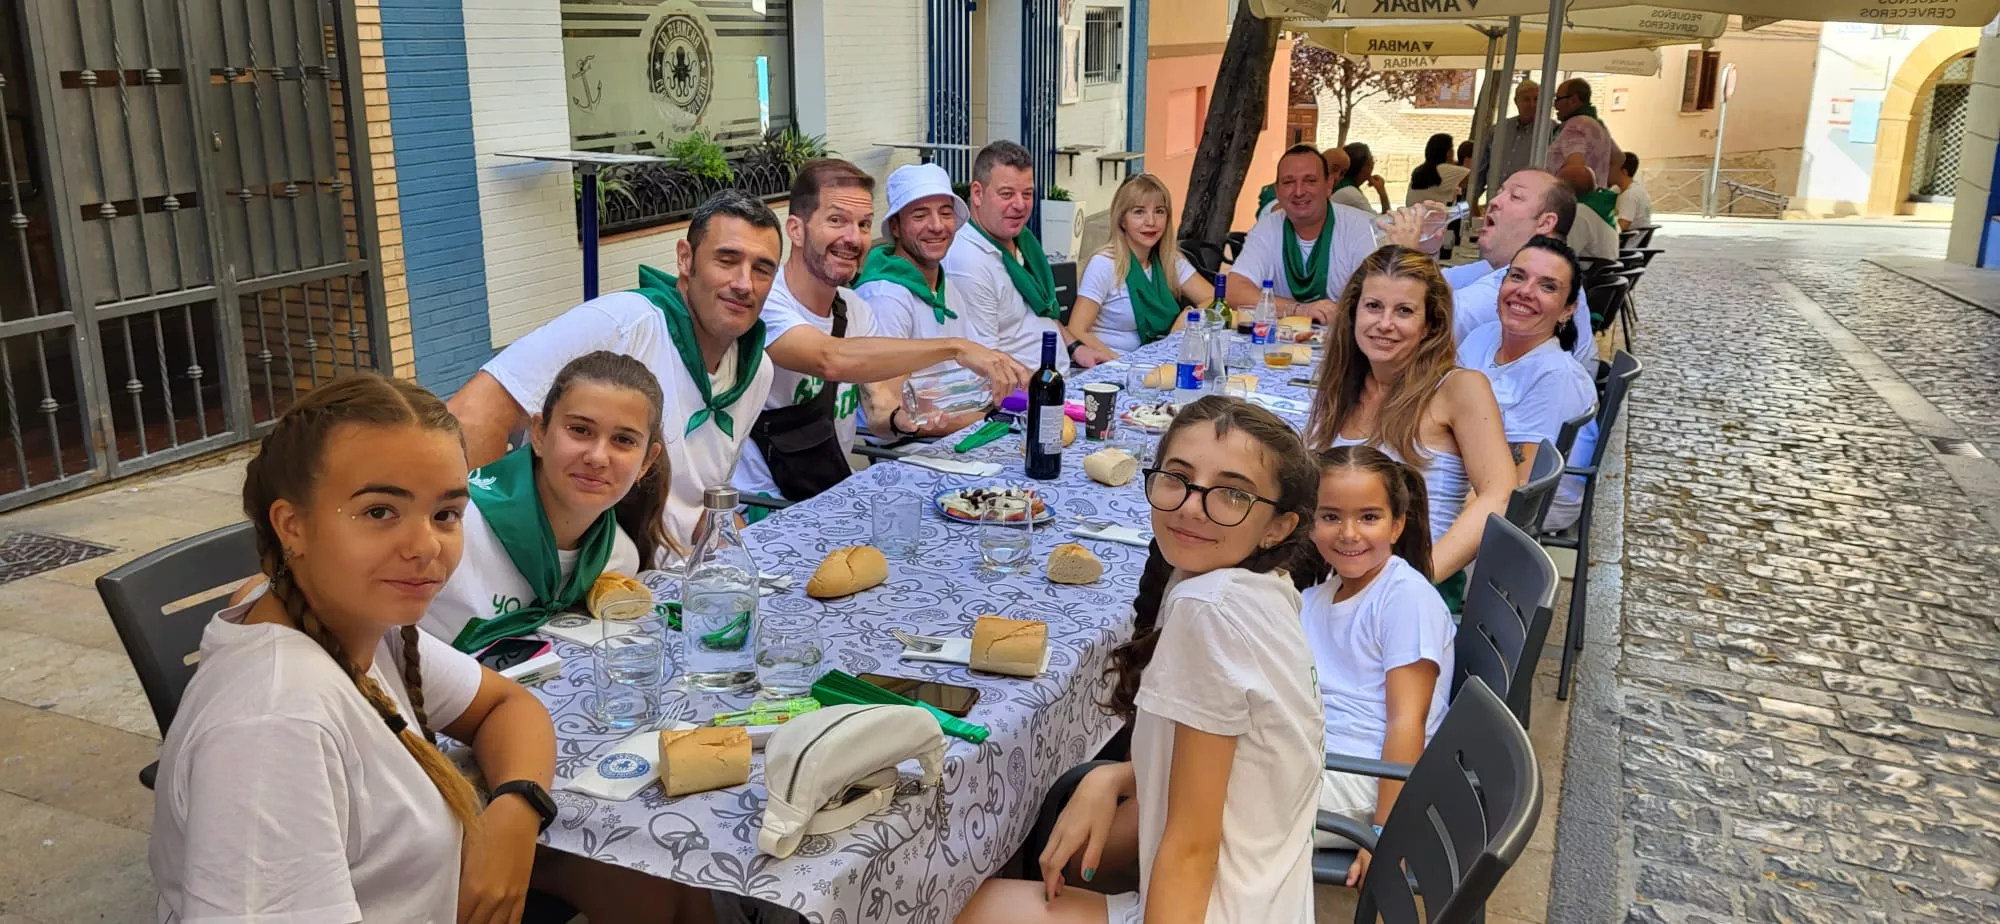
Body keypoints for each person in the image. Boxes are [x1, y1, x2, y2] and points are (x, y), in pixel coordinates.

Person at [151, 374, 710, 924]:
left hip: (440, 883)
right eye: (378, 512)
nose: (424, 547)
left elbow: (506, 706)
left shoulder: (370, 629)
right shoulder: (275, 728)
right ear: (291, 525)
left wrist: (515, 814)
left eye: (445, 514)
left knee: (668, 890)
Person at [957, 397, 1323, 924]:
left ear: (1278, 526)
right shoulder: (1265, 584)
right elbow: (1242, 754)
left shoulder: (1208, 610)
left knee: (944, 906)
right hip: (1266, 902)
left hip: (1215, 907)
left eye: (1233, 494)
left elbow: (1191, 851)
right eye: (1178, 478)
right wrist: (1119, 776)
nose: (1193, 506)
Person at [446, 189, 783, 552]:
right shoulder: (622, 323)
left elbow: (702, 502)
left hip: (670, 582)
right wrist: (498, 551)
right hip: (577, 577)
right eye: (727, 260)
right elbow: (471, 415)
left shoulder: (757, 369)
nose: (744, 284)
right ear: (686, 259)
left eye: (762, 269)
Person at [737, 159, 1027, 505]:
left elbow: (878, 409)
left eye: (862, 224)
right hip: (763, 507)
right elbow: (830, 359)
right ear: (796, 230)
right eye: (836, 221)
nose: (852, 238)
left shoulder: (854, 308)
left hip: (831, 496)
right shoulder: (765, 301)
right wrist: (956, 348)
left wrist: (905, 419)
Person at [1304, 245, 1514, 609]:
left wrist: (1418, 576)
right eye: (1373, 307)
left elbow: (1500, 495)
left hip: (1412, 592)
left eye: (1404, 311)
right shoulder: (1342, 388)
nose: (1385, 324)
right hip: (1335, 581)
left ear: (1429, 325)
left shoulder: (1459, 388)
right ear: (1353, 313)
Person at [424, 352, 661, 652]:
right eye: (580, 430)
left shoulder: (617, 557)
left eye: (624, 440)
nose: (598, 457)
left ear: (646, 462)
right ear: (539, 433)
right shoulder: (452, 527)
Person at [1301, 446, 1453, 881]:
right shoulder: (1321, 595)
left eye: (1368, 517)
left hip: (1363, 777)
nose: (1349, 533)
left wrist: (1388, 831)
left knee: (1201, 806)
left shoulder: (1405, 598)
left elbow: (1408, 720)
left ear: (1397, 523)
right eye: (1330, 516)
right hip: (1316, 754)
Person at [855, 163, 1010, 438]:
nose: (937, 226)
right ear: (896, 226)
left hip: (964, 433)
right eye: (920, 215)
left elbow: (978, 377)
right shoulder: (884, 296)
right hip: (910, 452)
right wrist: (999, 421)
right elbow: (896, 409)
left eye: (945, 213)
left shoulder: (943, 283)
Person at [1459, 237, 1599, 530]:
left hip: (1527, 506)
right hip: (1473, 474)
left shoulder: (1556, 377)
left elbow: (1517, 491)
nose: (1525, 291)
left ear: (1567, 310)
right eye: (1517, 276)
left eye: (1547, 286)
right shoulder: (1483, 336)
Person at [946, 141, 1116, 373]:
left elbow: (1041, 312)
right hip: (1023, 398)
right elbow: (986, 362)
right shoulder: (968, 260)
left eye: (1027, 194)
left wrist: (1075, 347)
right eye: (1006, 194)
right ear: (977, 194)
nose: (1020, 205)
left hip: (1062, 375)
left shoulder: (1023, 241)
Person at [1435, 169, 1600, 371]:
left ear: (1546, 223)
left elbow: (1420, 327)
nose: (1494, 201)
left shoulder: (1516, 288)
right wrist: (1427, 250)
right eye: (1499, 192)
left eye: (1515, 196)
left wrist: (1405, 249)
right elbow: (1432, 285)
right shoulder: (1496, 270)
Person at [1227, 144, 1378, 326]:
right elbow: (1234, 291)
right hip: (1283, 348)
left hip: (1346, 342)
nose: (1299, 192)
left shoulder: (1361, 227)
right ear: (1277, 190)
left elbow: (1378, 299)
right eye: (1289, 182)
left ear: (1329, 185)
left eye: (1310, 181)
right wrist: (1299, 310)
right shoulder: (1267, 227)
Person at [1066, 173, 1211, 358]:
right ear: (1121, 220)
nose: (1151, 222)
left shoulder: (1170, 260)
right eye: (1139, 212)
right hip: (1112, 363)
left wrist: (1191, 316)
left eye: (1159, 211)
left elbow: (1214, 299)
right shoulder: (1104, 264)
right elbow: (1077, 329)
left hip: (1158, 361)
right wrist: (1120, 363)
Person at [1548, 78, 1620, 195]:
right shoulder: (1598, 125)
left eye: (1558, 99)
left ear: (1573, 100)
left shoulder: (1576, 125)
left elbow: (1575, 169)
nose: (1555, 105)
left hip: (1573, 202)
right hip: (1594, 199)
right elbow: (1619, 158)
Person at [1476, 80, 1543, 202]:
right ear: (1516, 102)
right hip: (1496, 200)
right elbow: (1481, 169)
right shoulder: (1498, 130)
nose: (1532, 104)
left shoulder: (1549, 132)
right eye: (1527, 99)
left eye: (1536, 99)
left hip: (1529, 203)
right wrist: (1472, 200)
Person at [1559, 162, 1621, 262]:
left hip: (1588, 274)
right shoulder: (1600, 206)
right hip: (1603, 272)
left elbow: (1563, 256)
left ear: (1566, 191)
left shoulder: (1579, 213)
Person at [1405, 133, 1470, 207]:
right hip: (1431, 216)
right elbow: (1476, 180)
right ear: (1449, 152)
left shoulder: (1421, 170)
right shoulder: (1444, 169)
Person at [1332, 142, 1389, 214]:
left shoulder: (1342, 183)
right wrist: (1382, 192)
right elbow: (1382, 223)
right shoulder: (1351, 193)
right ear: (1365, 167)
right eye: (1372, 161)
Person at [1614, 152, 1653, 231]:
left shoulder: (1629, 195)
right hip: (1636, 240)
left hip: (1628, 241)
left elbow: (1621, 228)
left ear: (1623, 172)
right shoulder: (1637, 189)